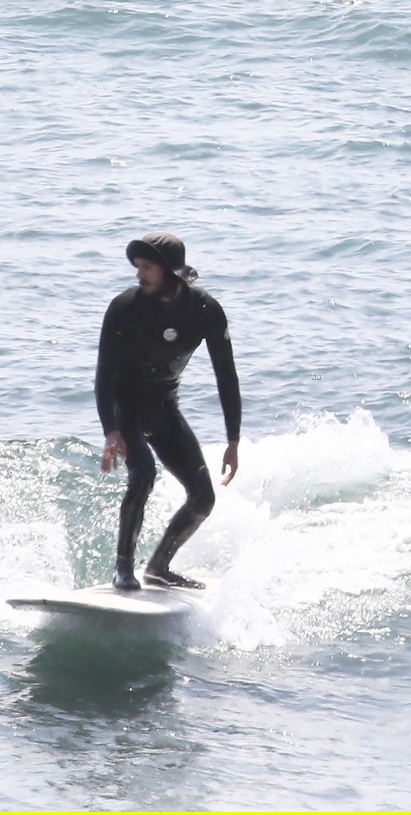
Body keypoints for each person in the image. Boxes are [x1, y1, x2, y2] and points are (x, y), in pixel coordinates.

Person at [94, 232, 242, 591]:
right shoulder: (124, 307)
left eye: (147, 267)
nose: (139, 274)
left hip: (164, 408)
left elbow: (226, 375)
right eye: (137, 267)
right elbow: (104, 376)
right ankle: (124, 568)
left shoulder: (205, 310)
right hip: (125, 406)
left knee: (203, 498)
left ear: (170, 271)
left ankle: (159, 567)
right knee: (142, 474)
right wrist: (111, 430)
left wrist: (233, 440)